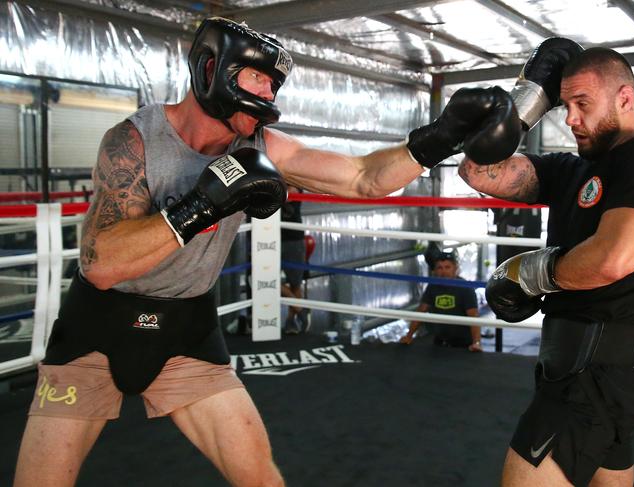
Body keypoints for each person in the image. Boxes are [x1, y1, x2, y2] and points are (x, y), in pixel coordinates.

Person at [12, 17, 523, 487]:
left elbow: (363, 178)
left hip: (187, 331)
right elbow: (101, 265)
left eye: (273, 85)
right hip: (95, 331)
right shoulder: (133, 141)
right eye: (257, 79)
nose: (267, 94)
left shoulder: (259, 145)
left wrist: (439, 139)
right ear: (213, 69)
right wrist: (203, 205)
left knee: (261, 479)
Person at [460, 46, 634, 487]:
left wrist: (529, 273)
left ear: (624, 99)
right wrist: (525, 106)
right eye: (563, 106)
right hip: (575, 370)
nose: (570, 119)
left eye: (582, 104)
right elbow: (476, 171)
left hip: (597, 373)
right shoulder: (571, 169)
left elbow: (613, 259)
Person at [400, 251, 482, 352]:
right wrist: (409, 336)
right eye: (440, 268)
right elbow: (421, 312)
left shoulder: (465, 288)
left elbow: (473, 316)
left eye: (447, 267)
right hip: (440, 342)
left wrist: (476, 343)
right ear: (434, 271)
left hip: (463, 345)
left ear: (455, 269)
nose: (444, 272)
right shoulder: (432, 287)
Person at [280, 184, 308, 334]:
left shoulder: (295, 184)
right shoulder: (269, 177)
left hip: (293, 238)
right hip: (267, 237)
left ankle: (291, 321)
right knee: (264, 277)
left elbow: (287, 194)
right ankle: (301, 310)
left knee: (295, 282)